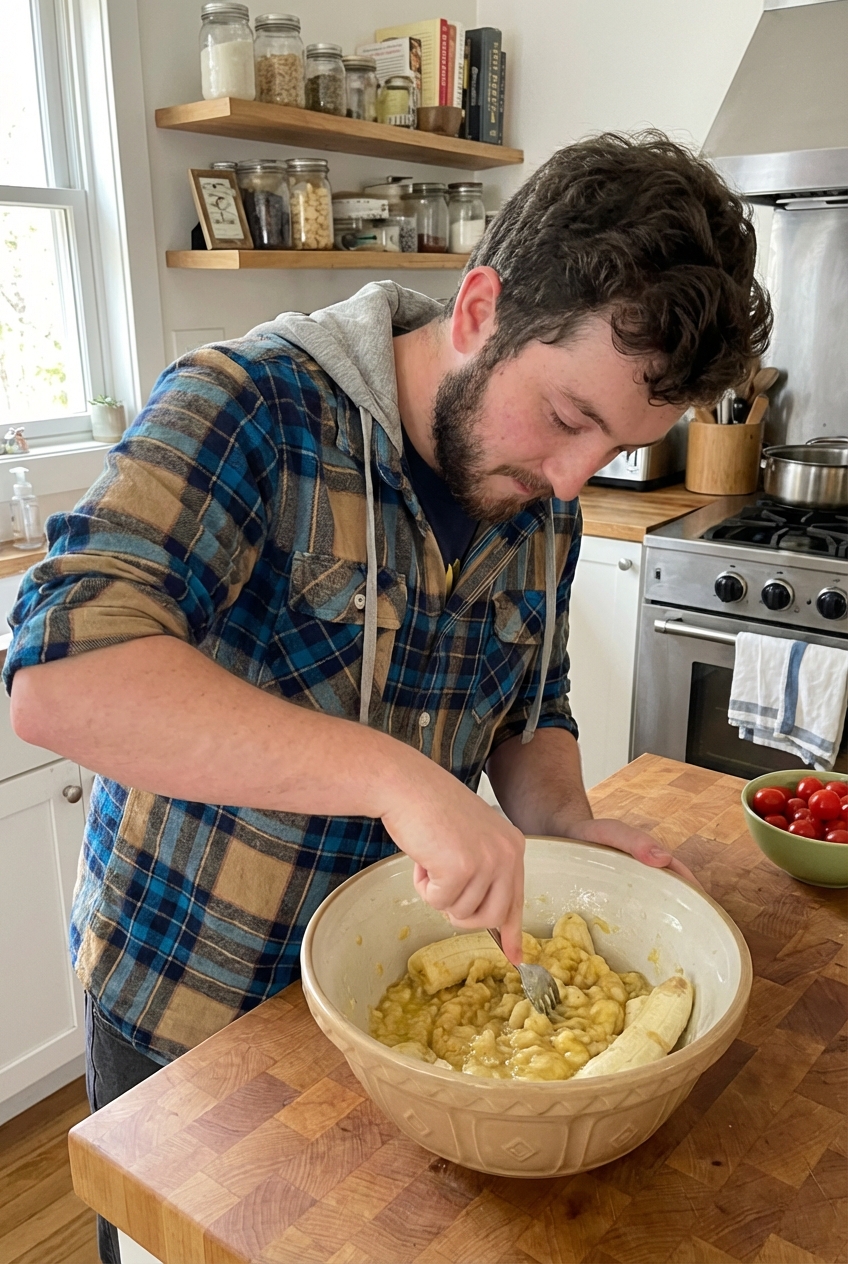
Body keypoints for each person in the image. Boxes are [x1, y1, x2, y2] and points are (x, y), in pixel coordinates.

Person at [5, 132, 769, 1263]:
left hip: (379, 1027)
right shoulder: (246, 407)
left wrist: (561, 821)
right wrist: (390, 773)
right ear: (476, 311)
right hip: (191, 1005)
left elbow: (529, 707)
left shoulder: (538, 499)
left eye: (614, 447)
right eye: (566, 419)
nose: (570, 483)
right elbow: (62, 680)